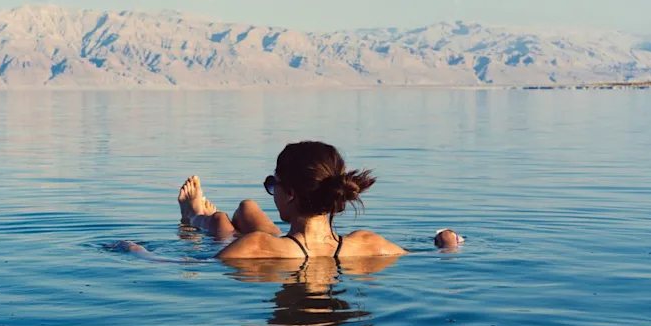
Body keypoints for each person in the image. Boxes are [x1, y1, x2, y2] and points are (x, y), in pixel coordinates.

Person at [175, 140, 463, 260]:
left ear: (289, 193)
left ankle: (194, 216)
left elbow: (189, 264)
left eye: (273, 183)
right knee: (248, 207)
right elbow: (434, 254)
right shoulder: (368, 243)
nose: (271, 190)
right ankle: (203, 216)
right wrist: (447, 239)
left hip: (286, 248)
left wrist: (134, 249)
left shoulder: (255, 245)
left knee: (222, 224)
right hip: (305, 245)